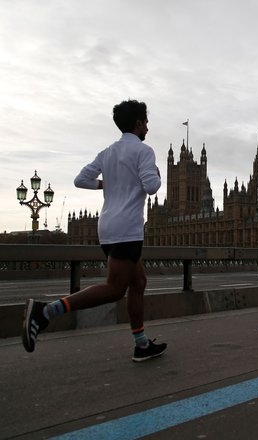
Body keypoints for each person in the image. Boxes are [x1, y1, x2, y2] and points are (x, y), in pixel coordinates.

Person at [21, 99, 167, 362]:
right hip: (127, 230)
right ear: (138, 123)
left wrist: (107, 184)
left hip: (107, 227)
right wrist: (156, 173)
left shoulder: (107, 152)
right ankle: (46, 312)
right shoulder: (144, 152)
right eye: (146, 121)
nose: (148, 126)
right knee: (114, 289)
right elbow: (152, 186)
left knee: (139, 282)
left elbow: (81, 180)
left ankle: (142, 344)